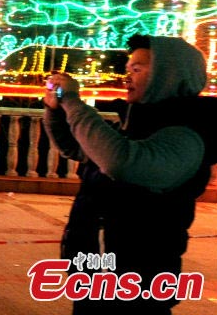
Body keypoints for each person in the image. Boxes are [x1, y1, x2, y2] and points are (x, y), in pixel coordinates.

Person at [43, 34, 214, 314]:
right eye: (127, 69)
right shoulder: (141, 124)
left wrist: (73, 102)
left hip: (139, 285)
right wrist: (55, 111)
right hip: (98, 276)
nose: (127, 76)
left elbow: (119, 162)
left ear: (168, 74)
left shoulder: (186, 134)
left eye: (138, 69)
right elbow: (81, 149)